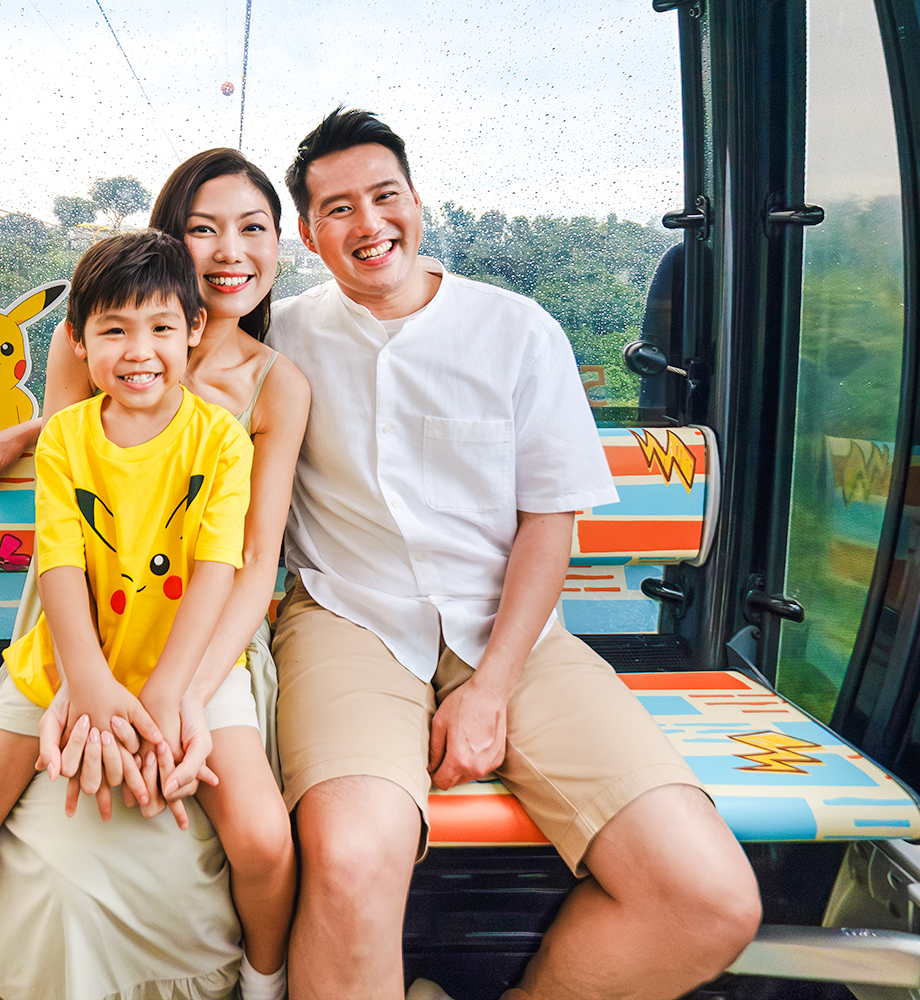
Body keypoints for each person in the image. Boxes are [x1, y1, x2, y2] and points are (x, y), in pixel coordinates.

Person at [267, 108, 763, 1000]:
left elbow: (549, 521)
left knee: (708, 899)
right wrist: (39, 422)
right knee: (347, 861)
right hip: (348, 619)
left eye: (385, 196)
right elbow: (150, 369)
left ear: (418, 202)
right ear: (308, 234)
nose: (368, 224)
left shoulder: (516, 329)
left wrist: (491, 688)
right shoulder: (284, 334)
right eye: (337, 209)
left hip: (513, 631)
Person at [0, 150, 307, 1000]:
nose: (229, 250)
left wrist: (179, 695)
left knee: (263, 839)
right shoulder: (88, 384)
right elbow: (69, 503)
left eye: (253, 229)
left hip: (201, 646)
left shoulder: (251, 412)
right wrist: (85, 679)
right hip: (75, 632)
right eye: (203, 229)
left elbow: (242, 565)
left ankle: (262, 983)